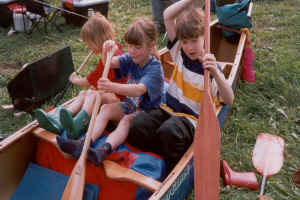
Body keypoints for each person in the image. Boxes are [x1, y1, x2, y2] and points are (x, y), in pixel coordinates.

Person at [126, 0, 234, 173]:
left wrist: (215, 73)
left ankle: (172, 169)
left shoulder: (211, 67)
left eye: (194, 41)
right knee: (137, 125)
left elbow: (229, 99)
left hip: (191, 120)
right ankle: (157, 154)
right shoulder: (179, 53)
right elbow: (168, 15)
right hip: (168, 109)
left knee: (169, 133)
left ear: (204, 36)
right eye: (184, 42)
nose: (189, 47)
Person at [56, 18, 165, 166]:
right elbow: (111, 63)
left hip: (149, 113)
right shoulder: (132, 57)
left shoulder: (154, 68)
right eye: (130, 46)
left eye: (137, 47)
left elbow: (139, 90)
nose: (132, 51)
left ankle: (104, 150)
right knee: (105, 109)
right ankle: (84, 142)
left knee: (126, 121)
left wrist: (111, 86)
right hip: (130, 105)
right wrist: (106, 50)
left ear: (151, 45)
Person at [35, 12, 125, 139]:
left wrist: (75, 80)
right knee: (84, 94)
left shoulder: (111, 57)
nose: (88, 46)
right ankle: (58, 119)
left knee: (93, 94)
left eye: (89, 43)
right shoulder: (112, 50)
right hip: (113, 96)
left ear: (97, 40)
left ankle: (78, 125)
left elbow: (90, 80)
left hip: (121, 102)